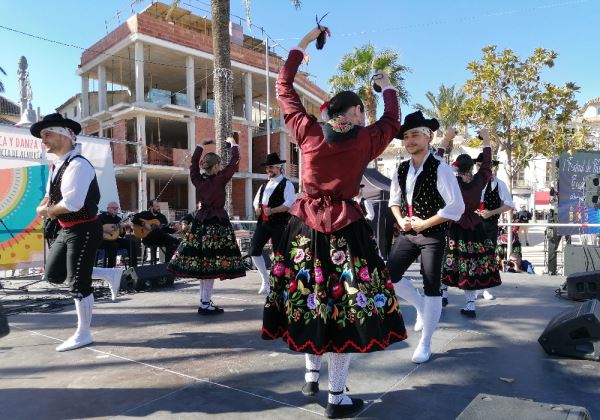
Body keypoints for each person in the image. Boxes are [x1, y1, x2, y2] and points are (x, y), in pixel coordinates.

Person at [261, 27, 406, 419]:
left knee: (310, 298)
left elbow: (283, 85)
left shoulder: (306, 130)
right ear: (355, 112)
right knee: (343, 309)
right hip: (346, 227)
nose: (364, 114)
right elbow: (393, 119)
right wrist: (387, 85)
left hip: (304, 227)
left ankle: (310, 375)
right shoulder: (365, 138)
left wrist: (303, 44)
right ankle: (336, 396)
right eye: (361, 109)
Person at [387, 112, 464, 364]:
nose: (409, 140)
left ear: (428, 137)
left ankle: (426, 341)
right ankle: (418, 305)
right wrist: (401, 221)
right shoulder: (401, 168)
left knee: (433, 287)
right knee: (389, 277)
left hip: (433, 235)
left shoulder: (440, 168)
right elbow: (394, 201)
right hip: (408, 233)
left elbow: (456, 206)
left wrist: (425, 223)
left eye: (415, 135)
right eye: (406, 136)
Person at [33, 113, 103, 351]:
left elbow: (72, 204)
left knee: (78, 283)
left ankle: (84, 333)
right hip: (66, 229)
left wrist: (47, 212)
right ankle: (106, 273)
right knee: (53, 275)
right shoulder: (57, 166)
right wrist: (43, 206)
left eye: (47, 134)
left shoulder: (79, 165)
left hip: (84, 229)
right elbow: (49, 195)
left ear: (64, 134)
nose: (44, 141)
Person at [167, 137, 246, 314]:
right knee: (210, 268)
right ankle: (205, 303)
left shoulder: (197, 180)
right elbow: (234, 162)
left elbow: (193, 163)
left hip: (200, 223)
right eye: (218, 164)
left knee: (205, 267)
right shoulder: (220, 179)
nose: (220, 167)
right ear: (216, 166)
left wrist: (200, 146)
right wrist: (233, 144)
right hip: (217, 223)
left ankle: (204, 302)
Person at [437, 129, 501, 318]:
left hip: (454, 227)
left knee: (447, 262)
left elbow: (436, 163)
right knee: (472, 266)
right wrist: (487, 140)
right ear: (471, 168)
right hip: (475, 227)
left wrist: (446, 139)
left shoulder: (451, 180)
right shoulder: (479, 181)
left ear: (457, 167)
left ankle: (443, 296)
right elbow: (487, 163)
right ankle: (470, 305)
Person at [251, 152, 296, 295]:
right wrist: (257, 208)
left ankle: (278, 283)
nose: (268, 170)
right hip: (263, 223)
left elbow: (289, 205)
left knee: (279, 255)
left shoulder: (287, 184)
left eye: (270, 167)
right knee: (254, 251)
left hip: (279, 224)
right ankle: (265, 279)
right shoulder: (264, 184)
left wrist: (274, 210)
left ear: (278, 168)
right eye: (266, 168)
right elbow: (256, 201)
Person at [473, 153, 515, 300]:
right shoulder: (471, 181)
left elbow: (509, 204)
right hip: (472, 224)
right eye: (479, 165)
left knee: (488, 256)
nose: (483, 168)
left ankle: (485, 287)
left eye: (487, 165)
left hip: (489, 225)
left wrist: (491, 212)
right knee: (473, 255)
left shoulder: (499, 184)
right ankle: (473, 287)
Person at [132, 199, 180, 263]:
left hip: (160, 239)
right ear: (151, 207)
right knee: (158, 231)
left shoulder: (162, 217)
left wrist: (175, 229)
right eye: (156, 206)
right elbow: (134, 219)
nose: (158, 208)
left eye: (158, 206)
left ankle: (167, 264)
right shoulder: (145, 214)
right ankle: (176, 241)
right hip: (148, 239)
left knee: (171, 243)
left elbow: (166, 229)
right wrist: (143, 224)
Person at [98, 202, 139, 268]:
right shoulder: (101, 217)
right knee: (113, 245)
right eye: (113, 208)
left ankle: (133, 268)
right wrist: (105, 230)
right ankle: (110, 269)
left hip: (114, 239)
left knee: (131, 243)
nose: (115, 209)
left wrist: (122, 228)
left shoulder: (119, 219)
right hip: (101, 240)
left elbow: (122, 235)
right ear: (108, 208)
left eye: (117, 208)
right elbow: (95, 228)